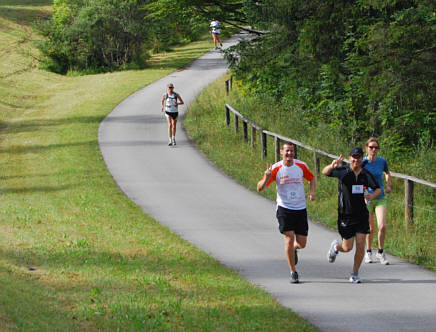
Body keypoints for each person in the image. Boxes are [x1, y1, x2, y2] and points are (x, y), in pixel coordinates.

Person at [257, 143, 316, 284]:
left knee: (302, 243)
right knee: (289, 238)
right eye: (287, 151)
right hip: (284, 208)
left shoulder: (301, 166)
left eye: (292, 151)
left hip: (300, 208)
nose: (289, 154)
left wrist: (312, 192)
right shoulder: (276, 169)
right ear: (281, 151)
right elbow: (260, 188)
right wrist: (266, 177)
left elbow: (312, 178)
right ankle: (293, 272)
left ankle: (294, 249)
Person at [322, 147, 381, 283]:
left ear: (361, 159)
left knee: (361, 244)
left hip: (361, 215)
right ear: (349, 158)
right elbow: (325, 173)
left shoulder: (365, 174)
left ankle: (355, 274)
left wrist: (371, 196)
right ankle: (335, 248)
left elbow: (377, 189)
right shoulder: (343, 172)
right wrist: (331, 166)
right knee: (347, 248)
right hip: (345, 215)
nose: (356, 160)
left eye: (358, 157)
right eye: (353, 157)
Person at [362, 137, 391, 265]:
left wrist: (388, 184)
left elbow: (387, 173)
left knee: (382, 226)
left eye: (376, 148)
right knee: (370, 228)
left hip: (380, 197)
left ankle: (380, 252)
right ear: (366, 148)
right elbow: (357, 176)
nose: (374, 150)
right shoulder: (362, 162)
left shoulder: (382, 161)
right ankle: (368, 252)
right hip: (367, 197)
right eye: (371, 147)